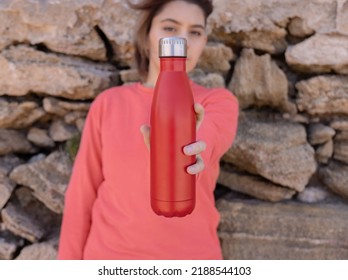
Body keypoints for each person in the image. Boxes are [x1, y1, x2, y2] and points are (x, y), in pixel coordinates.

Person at [57, 0, 239, 260]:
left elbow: (210, 136)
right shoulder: (109, 104)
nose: (183, 40)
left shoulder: (217, 102)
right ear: (147, 36)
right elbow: (81, 196)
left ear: (203, 42)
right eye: (170, 28)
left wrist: (191, 148)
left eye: (195, 32)